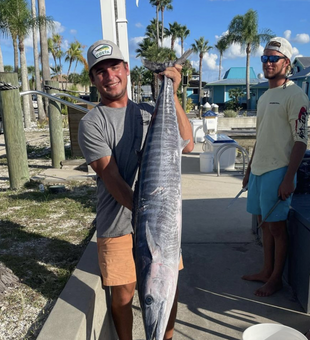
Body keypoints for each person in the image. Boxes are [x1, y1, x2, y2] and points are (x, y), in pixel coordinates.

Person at [78, 39, 194, 340]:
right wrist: (152, 215)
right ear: (93, 79)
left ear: (126, 70)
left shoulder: (147, 112)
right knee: (124, 295)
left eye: (114, 67)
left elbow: (188, 143)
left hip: (158, 221)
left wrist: (172, 90)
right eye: (100, 71)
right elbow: (112, 178)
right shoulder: (92, 123)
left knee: (168, 288)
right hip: (119, 220)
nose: (109, 75)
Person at [242, 37, 309, 297]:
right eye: (265, 58)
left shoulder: (296, 95)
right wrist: (249, 168)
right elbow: (262, 136)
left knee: (277, 228)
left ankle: (276, 278)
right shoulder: (265, 95)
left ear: (287, 63)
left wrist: (289, 178)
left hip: (278, 170)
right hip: (259, 170)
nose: (268, 63)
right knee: (264, 223)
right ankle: (266, 270)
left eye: (274, 58)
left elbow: (301, 140)